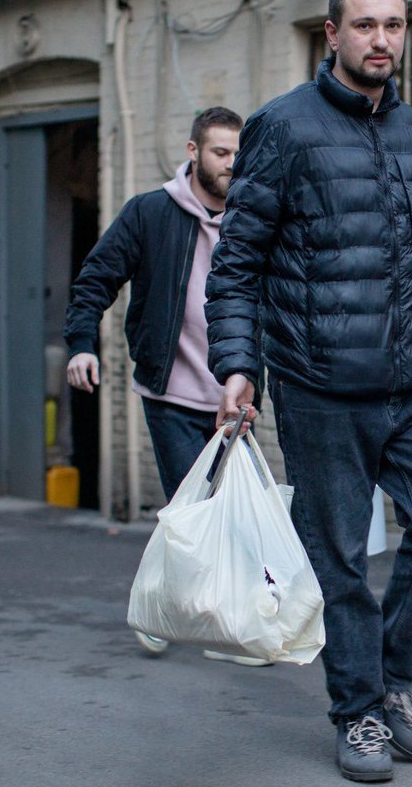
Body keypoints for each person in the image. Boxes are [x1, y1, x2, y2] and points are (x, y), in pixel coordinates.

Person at [204, 0, 412, 780]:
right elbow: (238, 265)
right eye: (364, 24)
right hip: (320, 384)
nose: (381, 39)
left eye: (393, 25)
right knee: (340, 560)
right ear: (332, 33)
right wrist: (238, 365)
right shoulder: (285, 126)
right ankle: (359, 712)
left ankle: (392, 680)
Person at [63, 107, 268, 667]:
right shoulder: (151, 212)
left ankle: (170, 602)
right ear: (194, 151)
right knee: (198, 511)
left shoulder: (255, 217)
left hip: (237, 394)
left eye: (237, 153)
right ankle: (215, 623)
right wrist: (81, 341)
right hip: (173, 390)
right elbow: (97, 278)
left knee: (230, 513)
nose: (230, 163)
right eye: (220, 152)